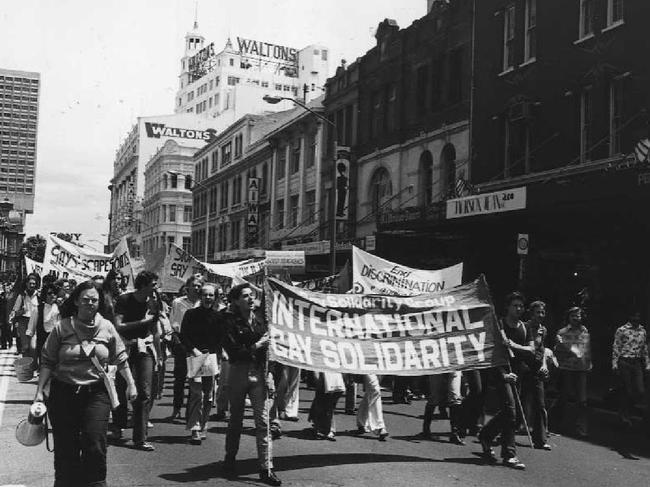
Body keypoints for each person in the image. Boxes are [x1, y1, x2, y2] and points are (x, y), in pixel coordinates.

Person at [33, 281, 137, 487]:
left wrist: (131, 384)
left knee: (95, 443)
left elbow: (121, 357)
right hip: (63, 393)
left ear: (100, 303)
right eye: (86, 300)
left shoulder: (107, 327)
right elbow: (47, 361)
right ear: (77, 302)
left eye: (94, 300)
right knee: (66, 448)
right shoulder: (62, 327)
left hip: (96, 394)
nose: (90, 303)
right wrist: (39, 392)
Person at [220, 283, 281, 486]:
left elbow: (268, 349)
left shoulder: (261, 321)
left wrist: (269, 373)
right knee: (235, 419)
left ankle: (266, 468)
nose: (250, 299)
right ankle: (230, 460)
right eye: (245, 296)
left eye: (252, 296)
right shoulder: (229, 322)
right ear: (236, 301)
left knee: (263, 423)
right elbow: (235, 353)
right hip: (239, 373)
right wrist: (257, 345)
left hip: (259, 374)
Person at [478, 292, 530, 470]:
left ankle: (486, 434)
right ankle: (509, 454)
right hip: (502, 373)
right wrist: (503, 375)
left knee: (511, 414)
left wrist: (513, 345)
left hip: (518, 374)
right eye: (515, 305)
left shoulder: (525, 327)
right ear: (507, 307)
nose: (518, 309)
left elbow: (531, 349)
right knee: (510, 410)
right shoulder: (498, 324)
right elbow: (491, 352)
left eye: (521, 306)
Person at [112, 270, 159, 451]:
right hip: (123, 347)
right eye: (153, 284)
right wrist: (142, 321)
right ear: (144, 285)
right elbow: (119, 325)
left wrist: (159, 355)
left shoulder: (154, 303)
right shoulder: (125, 300)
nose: (156, 288)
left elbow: (155, 329)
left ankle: (140, 438)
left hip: (144, 348)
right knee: (121, 387)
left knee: (144, 392)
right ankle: (118, 425)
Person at [180, 283, 222, 445]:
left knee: (209, 396)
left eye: (211, 295)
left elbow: (220, 338)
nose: (208, 298)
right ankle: (195, 428)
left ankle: (204, 424)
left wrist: (217, 355)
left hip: (211, 358)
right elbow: (184, 335)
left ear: (215, 297)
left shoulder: (218, 316)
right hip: (195, 356)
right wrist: (194, 351)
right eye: (205, 294)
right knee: (197, 394)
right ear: (200, 296)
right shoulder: (191, 314)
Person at [168, 274, 203, 420]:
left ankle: (191, 412)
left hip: (198, 346)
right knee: (180, 378)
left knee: (195, 381)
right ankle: (176, 408)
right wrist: (176, 342)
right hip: (182, 343)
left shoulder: (204, 303)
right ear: (187, 288)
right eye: (194, 285)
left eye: (199, 286)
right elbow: (173, 323)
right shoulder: (178, 302)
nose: (196, 288)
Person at [553, 306, 591, 437]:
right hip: (566, 368)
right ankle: (556, 424)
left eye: (578, 316)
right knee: (563, 397)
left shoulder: (584, 331)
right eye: (573, 316)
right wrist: (567, 349)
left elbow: (583, 351)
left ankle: (581, 429)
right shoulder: (562, 332)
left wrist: (588, 361)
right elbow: (557, 352)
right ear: (568, 317)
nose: (576, 318)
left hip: (581, 369)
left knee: (582, 400)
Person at [611, 310, 649, 427]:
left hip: (636, 362)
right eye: (634, 315)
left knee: (640, 390)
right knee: (627, 389)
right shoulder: (622, 330)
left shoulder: (642, 331)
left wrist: (647, 363)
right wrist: (615, 363)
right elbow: (616, 346)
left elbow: (644, 349)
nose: (636, 318)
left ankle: (626, 410)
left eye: (638, 316)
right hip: (624, 361)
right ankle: (624, 415)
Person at [522, 300, 551, 450]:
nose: (540, 315)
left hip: (537, 368)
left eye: (542, 312)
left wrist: (545, 365)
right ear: (531, 313)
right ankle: (504, 432)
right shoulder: (524, 327)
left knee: (540, 404)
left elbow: (543, 348)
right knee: (518, 402)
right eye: (537, 312)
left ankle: (540, 439)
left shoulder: (543, 330)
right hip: (524, 368)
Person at [26, 283, 61, 368]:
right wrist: (30, 340)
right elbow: (31, 326)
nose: (52, 295)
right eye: (49, 293)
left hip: (57, 338)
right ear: (45, 295)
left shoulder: (60, 308)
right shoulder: (38, 309)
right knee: (44, 362)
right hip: (43, 339)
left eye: (54, 293)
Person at [422, 372, 463, 444]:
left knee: (455, 397)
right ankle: (426, 430)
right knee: (434, 397)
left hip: (454, 366)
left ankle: (455, 433)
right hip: (438, 367)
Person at [10, 272, 40, 356]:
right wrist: (21, 311)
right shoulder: (22, 296)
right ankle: (26, 366)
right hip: (23, 322)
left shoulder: (39, 296)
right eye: (30, 283)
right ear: (26, 284)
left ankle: (33, 366)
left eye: (34, 284)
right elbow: (15, 311)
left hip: (34, 322)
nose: (32, 285)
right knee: (25, 346)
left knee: (33, 346)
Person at [356, 374, 389, 441]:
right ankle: (379, 427)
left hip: (378, 366)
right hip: (366, 366)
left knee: (371, 392)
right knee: (375, 391)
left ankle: (361, 421)